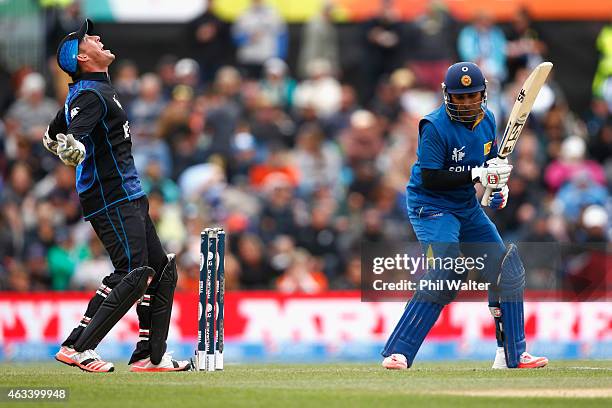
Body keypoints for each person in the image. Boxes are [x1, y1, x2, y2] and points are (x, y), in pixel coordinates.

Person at [43, 19, 190, 373]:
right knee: (134, 271)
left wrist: (55, 138)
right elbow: (73, 134)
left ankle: (148, 356)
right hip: (110, 196)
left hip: (128, 193)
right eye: (88, 38)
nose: (96, 37)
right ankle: (76, 347)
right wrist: (71, 145)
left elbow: (56, 130)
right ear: (81, 56)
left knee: (161, 269)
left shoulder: (92, 89)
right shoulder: (91, 94)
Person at [381, 62, 548, 370]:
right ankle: (399, 352)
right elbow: (431, 177)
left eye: (473, 96)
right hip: (430, 206)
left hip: (466, 206)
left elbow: (491, 165)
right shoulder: (433, 125)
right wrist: (477, 173)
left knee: (507, 269)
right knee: (446, 271)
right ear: (448, 96)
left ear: (483, 94)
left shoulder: (488, 121)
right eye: (460, 97)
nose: (467, 102)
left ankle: (511, 354)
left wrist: (497, 189)